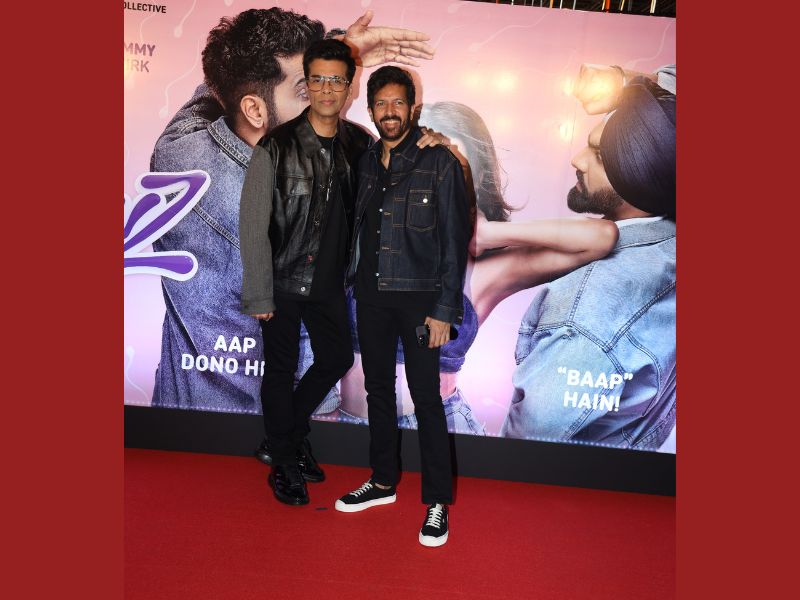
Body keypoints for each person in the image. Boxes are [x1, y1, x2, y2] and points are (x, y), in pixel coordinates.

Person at [148, 9, 434, 420]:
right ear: (255, 110)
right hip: (295, 414)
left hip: (183, 421)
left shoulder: (177, 154)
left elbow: (219, 87)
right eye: (306, 89)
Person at [332, 101, 619, 435]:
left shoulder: (481, 273)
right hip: (348, 427)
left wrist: (490, 233)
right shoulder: (367, 240)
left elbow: (602, 237)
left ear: (476, 177)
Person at [334, 66, 470, 549]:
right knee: (377, 390)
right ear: (370, 110)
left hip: (420, 302)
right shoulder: (366, 160)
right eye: (381, 104)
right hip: (371, 297)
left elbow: (455, 242)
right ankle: (383, 480)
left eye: (398, 103)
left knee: (426, 399)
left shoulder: (439, 162)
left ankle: (437, 501)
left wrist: (444, 310)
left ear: (413, 108)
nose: (389, 112)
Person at [502, 77, 676, 450]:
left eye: (597, 155)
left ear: (640, 172)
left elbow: (525, 448)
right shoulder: (670, 245)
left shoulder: (588, 311)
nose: (576, 159)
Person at [238, 38, 373, 506]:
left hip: (330, 283)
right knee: (280, 370)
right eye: (318, 80)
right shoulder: (276, 145)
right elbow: (253, 223)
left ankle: (284, 438)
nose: (327, 89)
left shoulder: (361, 145)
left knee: (335, 358)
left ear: (350, 86)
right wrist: (259, 292)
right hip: (281, 279)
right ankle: (283, 462)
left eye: (337, 80)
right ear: (307, 85)